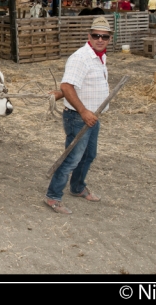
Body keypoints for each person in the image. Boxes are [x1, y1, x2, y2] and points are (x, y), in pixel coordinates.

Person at [45, 16, 112, 214]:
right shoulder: (81, 57)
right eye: (96, 35)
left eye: (104, 36)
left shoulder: (100, 56)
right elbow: (66, 85)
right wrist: (83, 112)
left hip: (93, 116)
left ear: (110, 38)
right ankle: (53, 196)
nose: (100, 39)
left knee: (89, 155)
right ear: (88, 36)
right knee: (72, 158)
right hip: (78, 117)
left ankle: (77, 187)